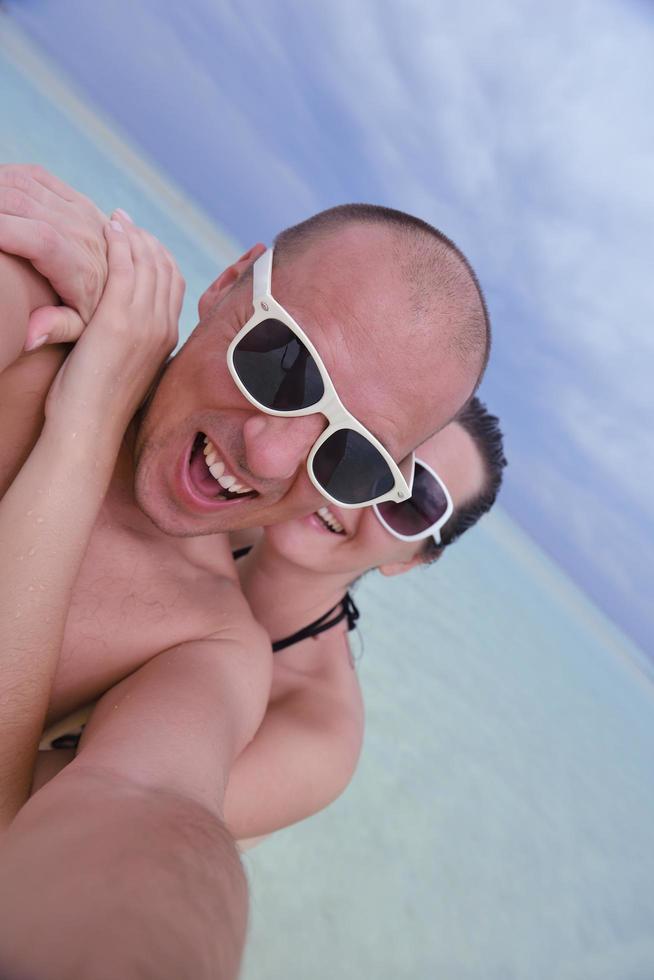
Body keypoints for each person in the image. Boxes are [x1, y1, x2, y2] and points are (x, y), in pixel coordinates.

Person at [0, 164, 491, 977]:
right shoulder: (56, 302)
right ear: (228, 281)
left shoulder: (225, 661)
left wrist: (86, 425)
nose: (268, 452)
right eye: (283, 362)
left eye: (356, 460)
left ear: (413, 554)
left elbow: (149, 815)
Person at [35, 397, 507, 851]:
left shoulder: (314, 731)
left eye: (411, 501)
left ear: (412, 559)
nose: (357, 493)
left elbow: (67, 829)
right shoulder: (196, 505)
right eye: (368, 451)